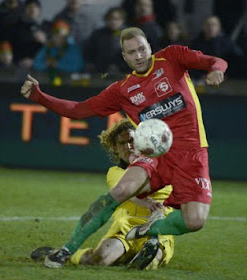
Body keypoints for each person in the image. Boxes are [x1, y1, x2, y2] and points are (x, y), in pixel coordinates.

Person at [20, 26, 227, 268]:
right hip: (156, 155)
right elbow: (78, 110)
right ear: (124, 56)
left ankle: (144, 231)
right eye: (132, 52)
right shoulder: (122, 91)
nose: (139, 56)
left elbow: (216, 60)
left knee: (195, 222)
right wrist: (40, 96)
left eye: (142, 49)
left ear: (150, 46)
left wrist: (215, 71)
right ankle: (66, 250)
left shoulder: (172, 57)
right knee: (120, 190)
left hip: (192, 155)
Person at [31, 119, 175, 270]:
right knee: (99, 258)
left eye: (132, 140)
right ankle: (64, 254)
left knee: (153, 259)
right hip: (126, 227)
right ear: (115, 149)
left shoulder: (162, 168)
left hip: (159, 227)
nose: (128, 146)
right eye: (122, 143)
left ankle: (143, 255)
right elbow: (127, 192)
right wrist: (148, 203)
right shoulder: (115, 173)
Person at [84, 7, 128, 74]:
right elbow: (90, 53)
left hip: (122, 72)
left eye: (117, 19)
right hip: (100, 71)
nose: (113, 22)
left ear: (122, 20)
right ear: (106, 19)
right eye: (110, 19)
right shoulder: (98, 34)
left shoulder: (128, 35)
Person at [11, 0, 46, 69]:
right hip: (17, 66)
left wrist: (45, 42)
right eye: (29, 7)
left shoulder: (44, 28)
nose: (32, 9)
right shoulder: (15, 26)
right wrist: (19, 61)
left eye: (35, 7)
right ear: (24, 9)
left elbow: (51, 51)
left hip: (38, 67)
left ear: (39, 11)